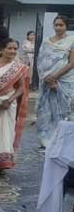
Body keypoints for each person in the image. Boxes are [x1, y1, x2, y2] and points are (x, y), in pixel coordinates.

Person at [0, 38, 29, 173]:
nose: (12, 51)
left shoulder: (18, 67)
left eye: (15, 49)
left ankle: (1, 163)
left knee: (5, 134)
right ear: (1, 49)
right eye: (9, 48)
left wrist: (10, 100)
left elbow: (21, 88)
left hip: (7, 104)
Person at [37, 15, 74, 148]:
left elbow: (72, 63)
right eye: (56, 25)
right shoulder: (47, 41)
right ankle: (46, 139)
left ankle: (61, 139)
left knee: (63, 109)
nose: (58, 27)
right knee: (46, 110)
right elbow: (40, 60)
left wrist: (55, 76)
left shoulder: (71, 41)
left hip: (64, 81)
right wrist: (46, 78)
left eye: (61, 25)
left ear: (66, 27)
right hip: (46, 81)